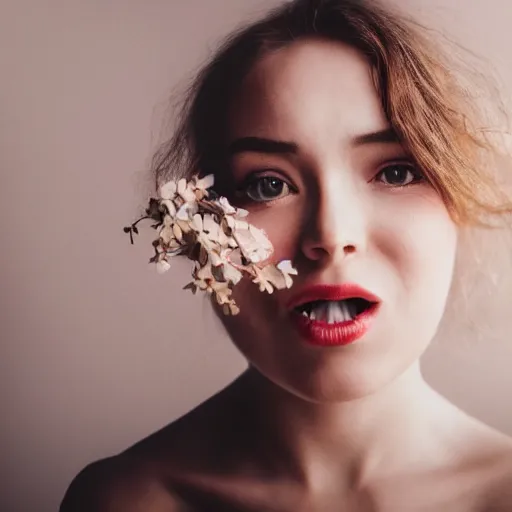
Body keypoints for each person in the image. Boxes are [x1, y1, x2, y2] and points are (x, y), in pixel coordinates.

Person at [60, 0, 512, 510]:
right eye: (269, 184)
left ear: (459, 196)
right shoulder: (129, 500)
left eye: (396, 172)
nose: (330, 234)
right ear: (196, 225)